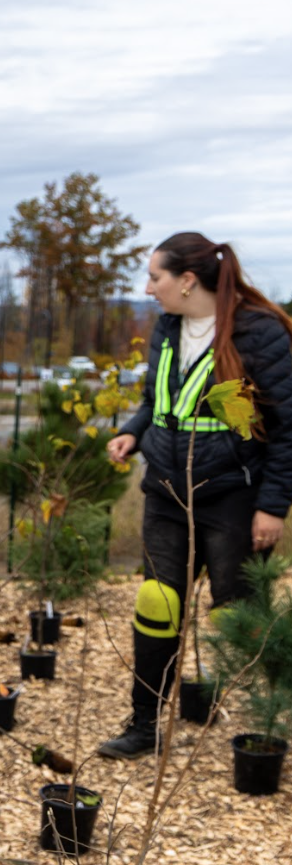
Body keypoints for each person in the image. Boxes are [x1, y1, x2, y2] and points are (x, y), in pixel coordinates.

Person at [99, 233, 292, 758]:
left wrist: (274, 505)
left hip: (233, 499)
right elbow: (153, 397)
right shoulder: (167, 326)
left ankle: (266, 729)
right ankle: (143, 726)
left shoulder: (261, 332)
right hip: (165, 492)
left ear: (187, 280)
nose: (147, 288)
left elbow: (285, 427)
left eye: (155, 277)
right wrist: (135, 430)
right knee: (156, 604)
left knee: (237, 617)